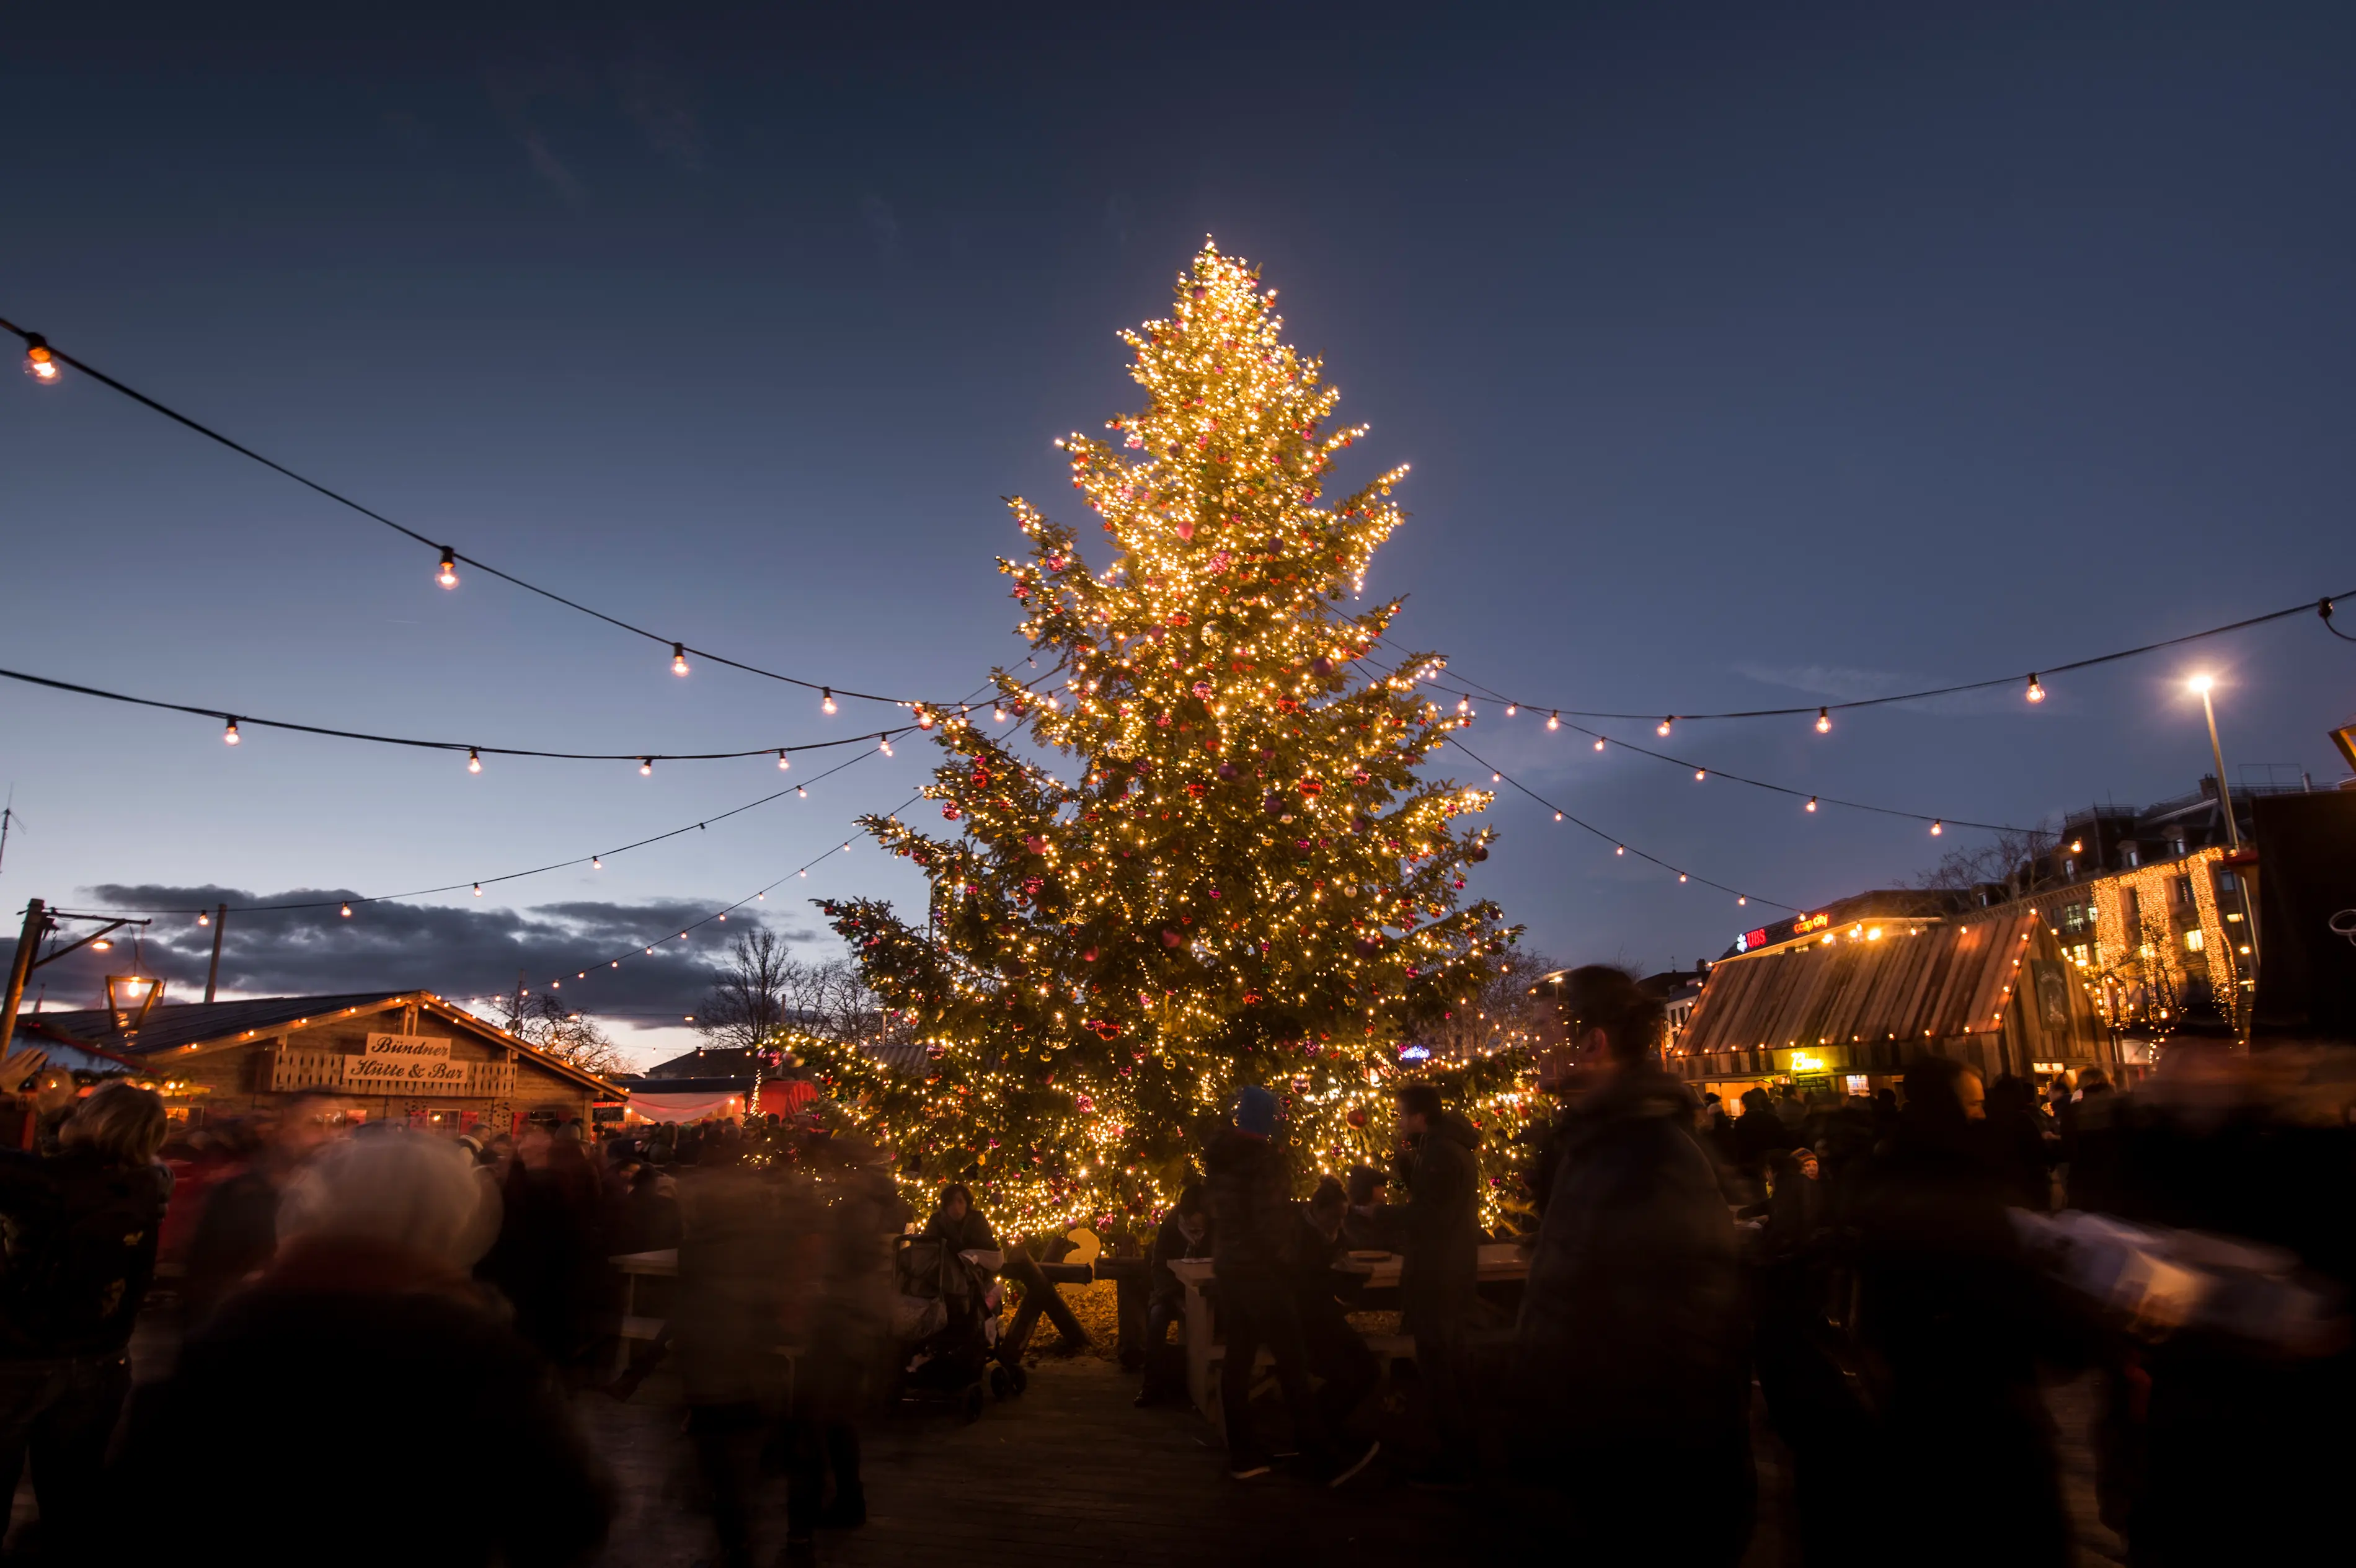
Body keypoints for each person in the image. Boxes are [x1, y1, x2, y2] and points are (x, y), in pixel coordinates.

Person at [109, 1131, 610, 1568]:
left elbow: (140, 1499)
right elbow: (565, 1517)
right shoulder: (476, 1352)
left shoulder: (234, 1328)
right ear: (456, 1218)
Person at [1516, 966, 1751, 1564]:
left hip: (1646, 1502)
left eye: (1544, 1029)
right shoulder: (1590, 1143)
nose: (1532, 1043)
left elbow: (1682, 1353)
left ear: (1593, 1043)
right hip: (1591, 1480)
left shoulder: (1652, 1157)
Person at [1854, 1056, 2066, 1567]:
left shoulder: (1890, 1171)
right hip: (1983, 1413)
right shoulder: (1964, 1183)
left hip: (1921, 1413)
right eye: (1972, 1104)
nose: (1980, 1114)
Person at [0, 1083, 169, 1557]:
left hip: (18, 1359)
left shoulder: (41, 1180)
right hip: (103, 1360)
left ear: (97, 1120)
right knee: (71, 1500)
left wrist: (48, 1113)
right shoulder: (151, 1184)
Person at [1203, 1085, 1377, 1486]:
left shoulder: (1221, 1158)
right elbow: (1271, 1224)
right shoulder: (1264, 1162)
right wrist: (1289, 1259)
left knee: (1239, 1358)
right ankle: (1320, 1454)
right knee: (1293, 1362)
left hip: (1230, 1270)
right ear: (1269, 1120)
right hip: (1263, 1274)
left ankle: (1244, 1453)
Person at [179, 1089, 341, 1325]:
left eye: (336, 1124)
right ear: (285, 1130)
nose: (330, 1136)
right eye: (316, 1124)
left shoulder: (342, 1197)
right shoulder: (237, 1197)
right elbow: (203, 1286)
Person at [1392, 1080, 1481, 1487]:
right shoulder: (1438, 1146)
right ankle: (1463, 1445)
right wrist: (1407, 1167)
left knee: (1439, 1357)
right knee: (1448, 1354)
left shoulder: (1442, 1153)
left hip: (1438, 1270)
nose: (1397, 1120)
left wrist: (1377, 1216)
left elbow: (1432, 1215)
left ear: (1420, 1116)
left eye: (1401, 1113)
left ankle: (1457, 1454)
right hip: (1449, 1265)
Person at [1293, 1177, 1380, 1436]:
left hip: (1326, 1316)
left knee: (1369, 1368)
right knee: (1346, 1375)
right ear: (1317, 1211)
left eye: (1343, 1218)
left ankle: (1325, 1424)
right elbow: (1302, 1282)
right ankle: (1317, 1427)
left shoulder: (1335, 1234)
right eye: (1334, 1218)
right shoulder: (1297, 1235)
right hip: (1302, 1321)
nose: (1339, 1224)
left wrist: (1351, 1281)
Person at [1136, 1185, 1211, 1407]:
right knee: (1158, 1320)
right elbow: (1158, 1265)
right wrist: (1171, 1295)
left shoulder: (1214, 1227)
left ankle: (1202, 1382)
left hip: (1205, 1291)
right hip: (1172, 1291)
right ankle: (1151, 1386)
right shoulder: (1171, 1226)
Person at [921, 1182, 997, 1255]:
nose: (956, 1207)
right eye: (951, 1203)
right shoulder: (937, 1221)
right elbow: (927, 1249)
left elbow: (990, 1249)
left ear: (967, 1204)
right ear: (945, 1206)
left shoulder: (977, 1220)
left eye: (960, 1202)